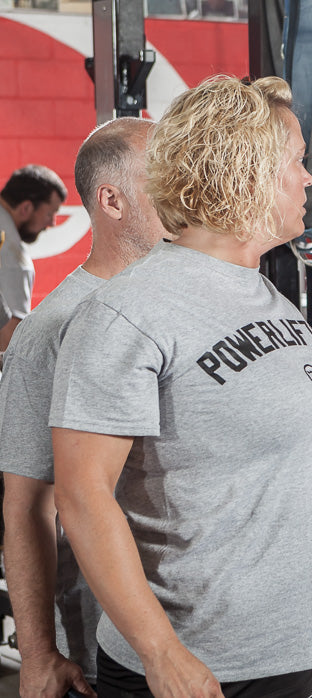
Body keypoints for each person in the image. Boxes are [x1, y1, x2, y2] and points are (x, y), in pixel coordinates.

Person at [49, 76, 312, 698]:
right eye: (297, 160)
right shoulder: (127, 312)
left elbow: (277, 454)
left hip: (294, 652)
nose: (309, 180)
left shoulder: (263, 292)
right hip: (198, 667)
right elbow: (81, 497)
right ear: (244, 172)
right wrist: (160, 653)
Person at [0, 117, 169, 698]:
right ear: (111, 200)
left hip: (207, 631)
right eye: (162, 179)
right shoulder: (50, 331)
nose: (183, 193)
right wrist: (38, 652)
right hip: (107, 641)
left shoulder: (183, 305)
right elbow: (27, 505)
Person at [0, 164, 67, 351]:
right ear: (26, 208)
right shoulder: (12, 259)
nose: (52, 223)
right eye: (49, 213)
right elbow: (10, 345)